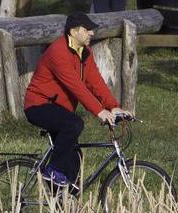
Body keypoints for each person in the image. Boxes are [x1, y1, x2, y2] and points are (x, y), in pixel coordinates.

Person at [24, 12, 128, 189]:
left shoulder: (84, 52)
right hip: (39, 105)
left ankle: (62, 204)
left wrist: (113, 107)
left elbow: (95, 82)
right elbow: (76, 87)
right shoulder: (58, 52)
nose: (92, 33)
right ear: (73, 31)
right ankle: (52, 170)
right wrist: (99, 111)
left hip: (60, 109)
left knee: (74, 158)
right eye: (87, 30)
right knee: (73, 125)